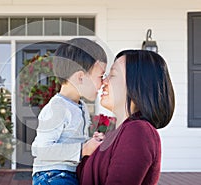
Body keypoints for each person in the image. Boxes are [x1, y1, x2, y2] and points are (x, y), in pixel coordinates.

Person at [76, 50, 175, 185]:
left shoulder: (139, 131)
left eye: (113, 75)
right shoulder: (117, 133)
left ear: (138, 85)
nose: (103, 81)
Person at [31, 38, 108, 185]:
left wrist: (90, 142)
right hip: (52, 175)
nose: (103, 82)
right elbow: (40, 150)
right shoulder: (58, 108)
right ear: (80, 77)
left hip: (68, 173)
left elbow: (71, 139)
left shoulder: (80, 106)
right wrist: (83, 149)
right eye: (100, 76)